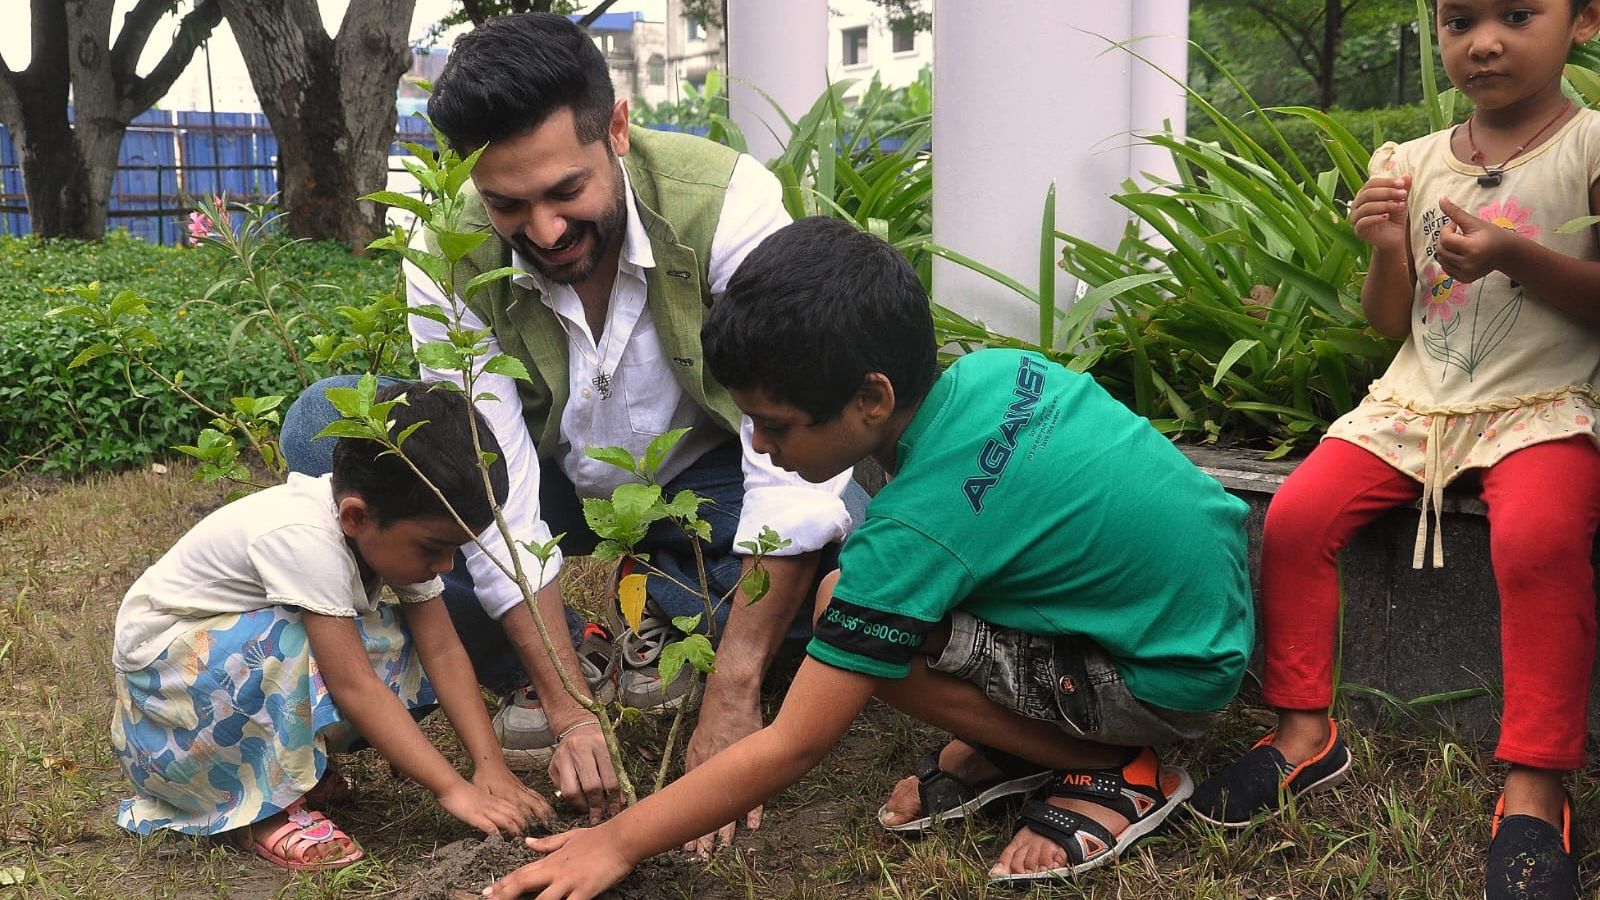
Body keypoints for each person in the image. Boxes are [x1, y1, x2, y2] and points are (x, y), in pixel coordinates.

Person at [476, 216, 1254, 897]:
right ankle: (1010, 740)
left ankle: (1113, 770)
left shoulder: (913, 533)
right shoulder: (993, 374)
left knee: (860, 620)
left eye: (775, 423)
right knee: (867, 596)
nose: (758, 445)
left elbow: (794, 742)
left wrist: (613, 842)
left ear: (871, 401)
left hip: (1166, 679)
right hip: (1203, 606)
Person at [280, 11, 862, 840]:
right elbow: (491, 489)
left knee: (855, 538)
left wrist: (735, 691)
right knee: (323, 432)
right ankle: (583, 646)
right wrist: (570, 708)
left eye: (566, 192)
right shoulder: (449, 253)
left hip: (711, 478)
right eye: (508, 205)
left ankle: (680, 602)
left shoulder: (725, 203)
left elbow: (788, 463)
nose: (545, 233)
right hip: (548, 482)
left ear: (617, 128)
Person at [1188, 2, 1600, 897]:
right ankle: (1303, 733)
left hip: (1542, 402)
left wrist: (1515, 255)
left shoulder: (1591, 147)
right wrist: (1381, 248)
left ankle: (1535, 786)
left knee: (1539, 539)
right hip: (1414, 401)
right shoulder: (1408, 163)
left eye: (1518, 14)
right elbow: (1391, 321)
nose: (1483, 42)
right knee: (1295, 517)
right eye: (1459, 21)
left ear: (1583, 21)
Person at [112, 381, 552, 871]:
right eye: (433, 548)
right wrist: (454, 790)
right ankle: (260, 811)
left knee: (397, 637)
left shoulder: (381, 527)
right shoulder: (303, 537)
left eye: (457, 549)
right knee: (295, 644)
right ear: (355, 516)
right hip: (168, 706)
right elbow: (353, 684)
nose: (447, 565)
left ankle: (289, 767)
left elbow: (443, 651)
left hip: (216, 674)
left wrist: (489, 766)